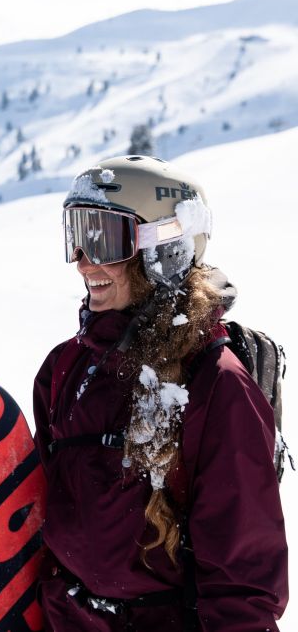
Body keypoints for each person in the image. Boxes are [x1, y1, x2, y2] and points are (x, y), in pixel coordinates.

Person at [33, 155, 288, 631]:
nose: (84, 262)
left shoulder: (216, 383)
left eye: (104, 239)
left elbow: (243, 580)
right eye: (77, 236)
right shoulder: (65, 369)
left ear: (164, 248)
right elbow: (42, 512)